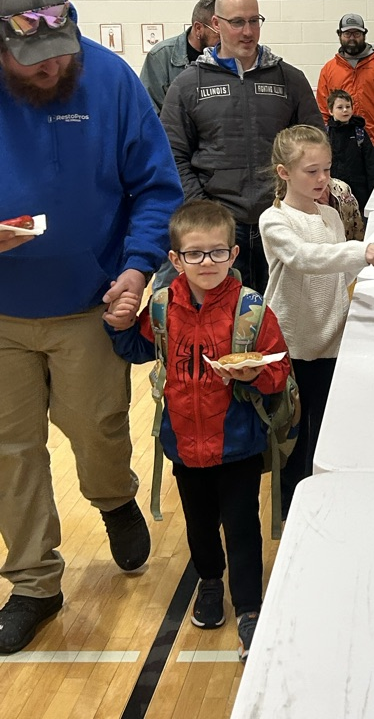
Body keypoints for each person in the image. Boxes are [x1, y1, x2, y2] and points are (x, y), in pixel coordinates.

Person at [0, 0, 183, 654]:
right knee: (10, 453)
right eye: (31, 61)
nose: (50, 70)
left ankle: (113, 497)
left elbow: (157, 188)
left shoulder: (109, 81)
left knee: (97, 429)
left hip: (91, 304)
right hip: (2, 313)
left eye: (59, 54)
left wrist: (137, 269)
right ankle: (33, 584)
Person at [105, 201, 291, 662]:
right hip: (183, 444)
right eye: (194, 254)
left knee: (243, 527)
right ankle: (209, 582)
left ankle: (249, 606)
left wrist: (254, 375)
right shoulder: (165, 307)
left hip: (239, 443)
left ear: (233, 254)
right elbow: (138, 350)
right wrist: (118, 326)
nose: (206, 263)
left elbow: (279, 369)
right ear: (175, 260)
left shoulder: (252, 310)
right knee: (201, 524)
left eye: (216, 253)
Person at [259, 125, 374, 513]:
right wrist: (363, 251)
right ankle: (293, 510)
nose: (323, 179)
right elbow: (305, 259)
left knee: (328, 431)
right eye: (312, 171)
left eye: (327, 169)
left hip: (334, 341)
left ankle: (327, 502)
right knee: (296, 437)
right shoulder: (274, 221)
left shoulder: (330, 215)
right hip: (295, 345)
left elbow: (341, 272)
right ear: (283, 173)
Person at [160, 0, 324, 295]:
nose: (247, 31)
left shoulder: (290, 79)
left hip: (280, 221)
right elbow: (172, 156)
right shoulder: (186, 85)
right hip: (217, 232)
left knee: (280, 318)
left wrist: (300, 198)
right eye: (237, 22)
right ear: (216, 25)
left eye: (254, 21)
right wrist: (206, 210)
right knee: (223, 325)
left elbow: (315, 146)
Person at [316, 13, 374, 175]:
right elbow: (323, 109)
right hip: (343, 147)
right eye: (347, 34)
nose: (352, 38)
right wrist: (324, 140)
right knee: (346, 196)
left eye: (357, 34)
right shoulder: (329, 69)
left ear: (364, 35)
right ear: (339, 35)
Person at [139, 0, 219, 114]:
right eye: (219, 34)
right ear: (198, 28)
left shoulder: (230, 54)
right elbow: (149, 112)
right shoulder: (161, 57)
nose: (225, 41)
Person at [325, 88, 374, 214]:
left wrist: (373, 190)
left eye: (348, 106)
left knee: (359, 221)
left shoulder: (359, 132)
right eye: (340, 107)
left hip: (359, 188)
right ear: (330, 111)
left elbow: (371, 163)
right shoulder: (325, 134)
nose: (345, 110)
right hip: (334, 187)